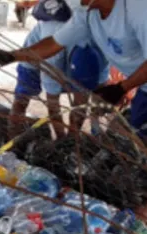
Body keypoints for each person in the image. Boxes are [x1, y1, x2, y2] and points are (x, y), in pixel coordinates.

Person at [0, 0, 147, 222]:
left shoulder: (140, 7)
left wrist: (121, 88)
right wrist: (11, 56)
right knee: (141, 130)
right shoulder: (87, 12)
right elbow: (54, 43)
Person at [9, 0, 108, 139]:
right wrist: (62, 141)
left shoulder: (103, 50)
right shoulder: (54, 58)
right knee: (22, 98)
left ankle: (77, 138)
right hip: (36, 52)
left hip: (80, 59)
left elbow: (82, 104)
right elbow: (53, 105)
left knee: (88, 101)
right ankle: (11, 142)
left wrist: (80, 135)